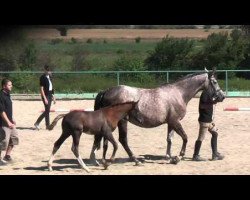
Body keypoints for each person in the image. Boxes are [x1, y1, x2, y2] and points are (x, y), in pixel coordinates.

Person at [192, 89, 224, 161]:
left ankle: (215, 154)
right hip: (204, 121)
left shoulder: (209, 92)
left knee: (215, 133)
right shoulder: (205, 94)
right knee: (200, 138)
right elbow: (203, 106)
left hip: (209, 121)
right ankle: (195, 155)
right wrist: (213, 101)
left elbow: (210, 103)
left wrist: (216, 100)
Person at [0, 78, 19, 166]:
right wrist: (8, 122)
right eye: (9, 85)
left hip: (10, 122)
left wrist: (12, 118)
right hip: (3, 123)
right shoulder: (1, 96)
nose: (11, 86)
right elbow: (2, 111)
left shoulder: (8, 94)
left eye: (11, 85)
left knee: (14, 139)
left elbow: (8, 109)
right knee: (3, 142)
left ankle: (7, 156)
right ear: (4, 86)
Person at [34, 65, 56, 130]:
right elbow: (41, 89)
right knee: (47, 110)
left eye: (50, 70)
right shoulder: (42, 77)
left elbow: (51, 87)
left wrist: (53, 96)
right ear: (45, 70)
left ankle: (38, 123)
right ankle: (46, 125)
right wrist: (45, 98)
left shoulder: (50, 77)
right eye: (48, 71)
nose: (49, 72)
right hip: (45, 95)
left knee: (47, 111)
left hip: (50, 94)